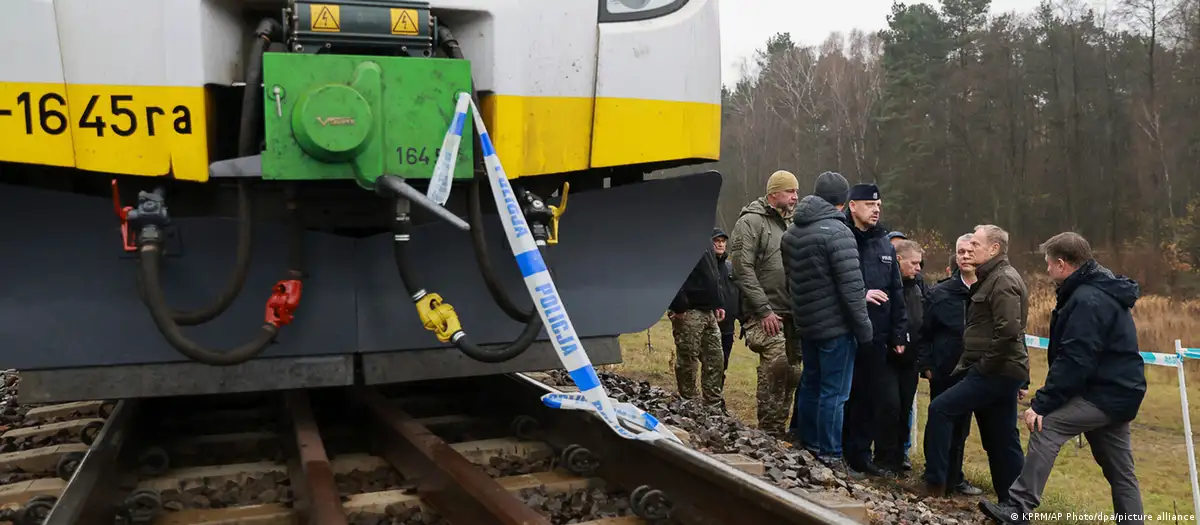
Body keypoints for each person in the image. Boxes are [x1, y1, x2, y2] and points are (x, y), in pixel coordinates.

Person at [979, 232, 1146, 524]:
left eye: (1048, 263)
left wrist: (1043, 403)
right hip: (1119, 391)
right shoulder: (1097, 289)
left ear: (1062, 263)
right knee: (1121, 472)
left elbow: (1076, 359)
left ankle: (1018, 508)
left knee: (1047, 426)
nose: (1046, 270)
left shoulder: (1087, 300)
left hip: (1104, 393)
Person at [922, 224, 1028, 499]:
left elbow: (1008, 331)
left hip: (995, 371)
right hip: (998, 369)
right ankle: (1013, 503)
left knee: (941, 409)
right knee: (1000, 438)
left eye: (977, 244)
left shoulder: (1003, 280)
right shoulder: (991, 277)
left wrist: (982, 366)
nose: (970, 250)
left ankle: (934, 484)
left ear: (994, 249)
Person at [780, 171, 873, 475]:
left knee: (811, 384)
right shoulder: (838, 232)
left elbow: (791, 280)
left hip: (807, 323)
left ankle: (808, 443)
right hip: (835, 327)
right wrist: (864, 329)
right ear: (843, 201)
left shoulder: (792, 232)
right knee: (835, 393)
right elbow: (851, 288)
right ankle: (831, 454)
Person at [730, 170, 802, 439]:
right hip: (763, 312)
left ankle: (780, 429)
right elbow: (742, 270)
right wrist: (764, 310)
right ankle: (768, 431)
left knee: (794, 371)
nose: (795, 197)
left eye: (796, 191)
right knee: (776, 365)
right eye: (790, 192)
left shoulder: (794, 224)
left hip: (792, 312)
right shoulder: (750, 222)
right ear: (774, 194)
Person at [842, 183, 907, 477]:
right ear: (852, 206)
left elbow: (896, 290)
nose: (876, 209)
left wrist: (898, 333)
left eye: (878, 205)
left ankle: (860, 456)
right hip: (845, 332)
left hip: (877, 336)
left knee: (869, 398)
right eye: (869, 204)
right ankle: (834, 451)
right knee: (843, 395)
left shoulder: (884, 243)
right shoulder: (842, 237)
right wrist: (860, 295)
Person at [916, 235, 984, 497]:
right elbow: (924, 332)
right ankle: (934, 479)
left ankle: (955, 478)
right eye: (960, 252)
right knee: (939, 425)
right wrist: (927, 365)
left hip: (976, 372)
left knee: (962, 430)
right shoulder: (940, 292)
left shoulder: (989, 290)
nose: (965, 256)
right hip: (944, 370)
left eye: (970, 251)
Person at [876, 239, 925, 475]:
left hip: (911, 360)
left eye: (920, 263)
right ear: (899, 260)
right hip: (888, 358)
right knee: (889, 406)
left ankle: (899, 457)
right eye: (914, 263)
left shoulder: (918, 288)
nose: (918, 268)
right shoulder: (885, 286)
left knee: (905, 408)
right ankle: (883, 457)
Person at [667, 240, 726, 408]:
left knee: (715, 358)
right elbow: (672, 272)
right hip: (689, 310)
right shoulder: (680, 238)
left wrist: (718, 302)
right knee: (688, 358)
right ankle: (689, 403)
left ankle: (713, 404)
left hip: (708, 311)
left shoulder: (704, 237)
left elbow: (713, 273)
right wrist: (679, 305)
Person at [712, 228, 742, 379]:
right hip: (708, 323)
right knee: (710, 362)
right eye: (716, 241)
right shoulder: (704, 266)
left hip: (728, 325)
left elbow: (739, 292)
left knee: (723, 362)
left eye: (723, 241)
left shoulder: (731, 267)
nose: (720, 244)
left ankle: (717, 394)